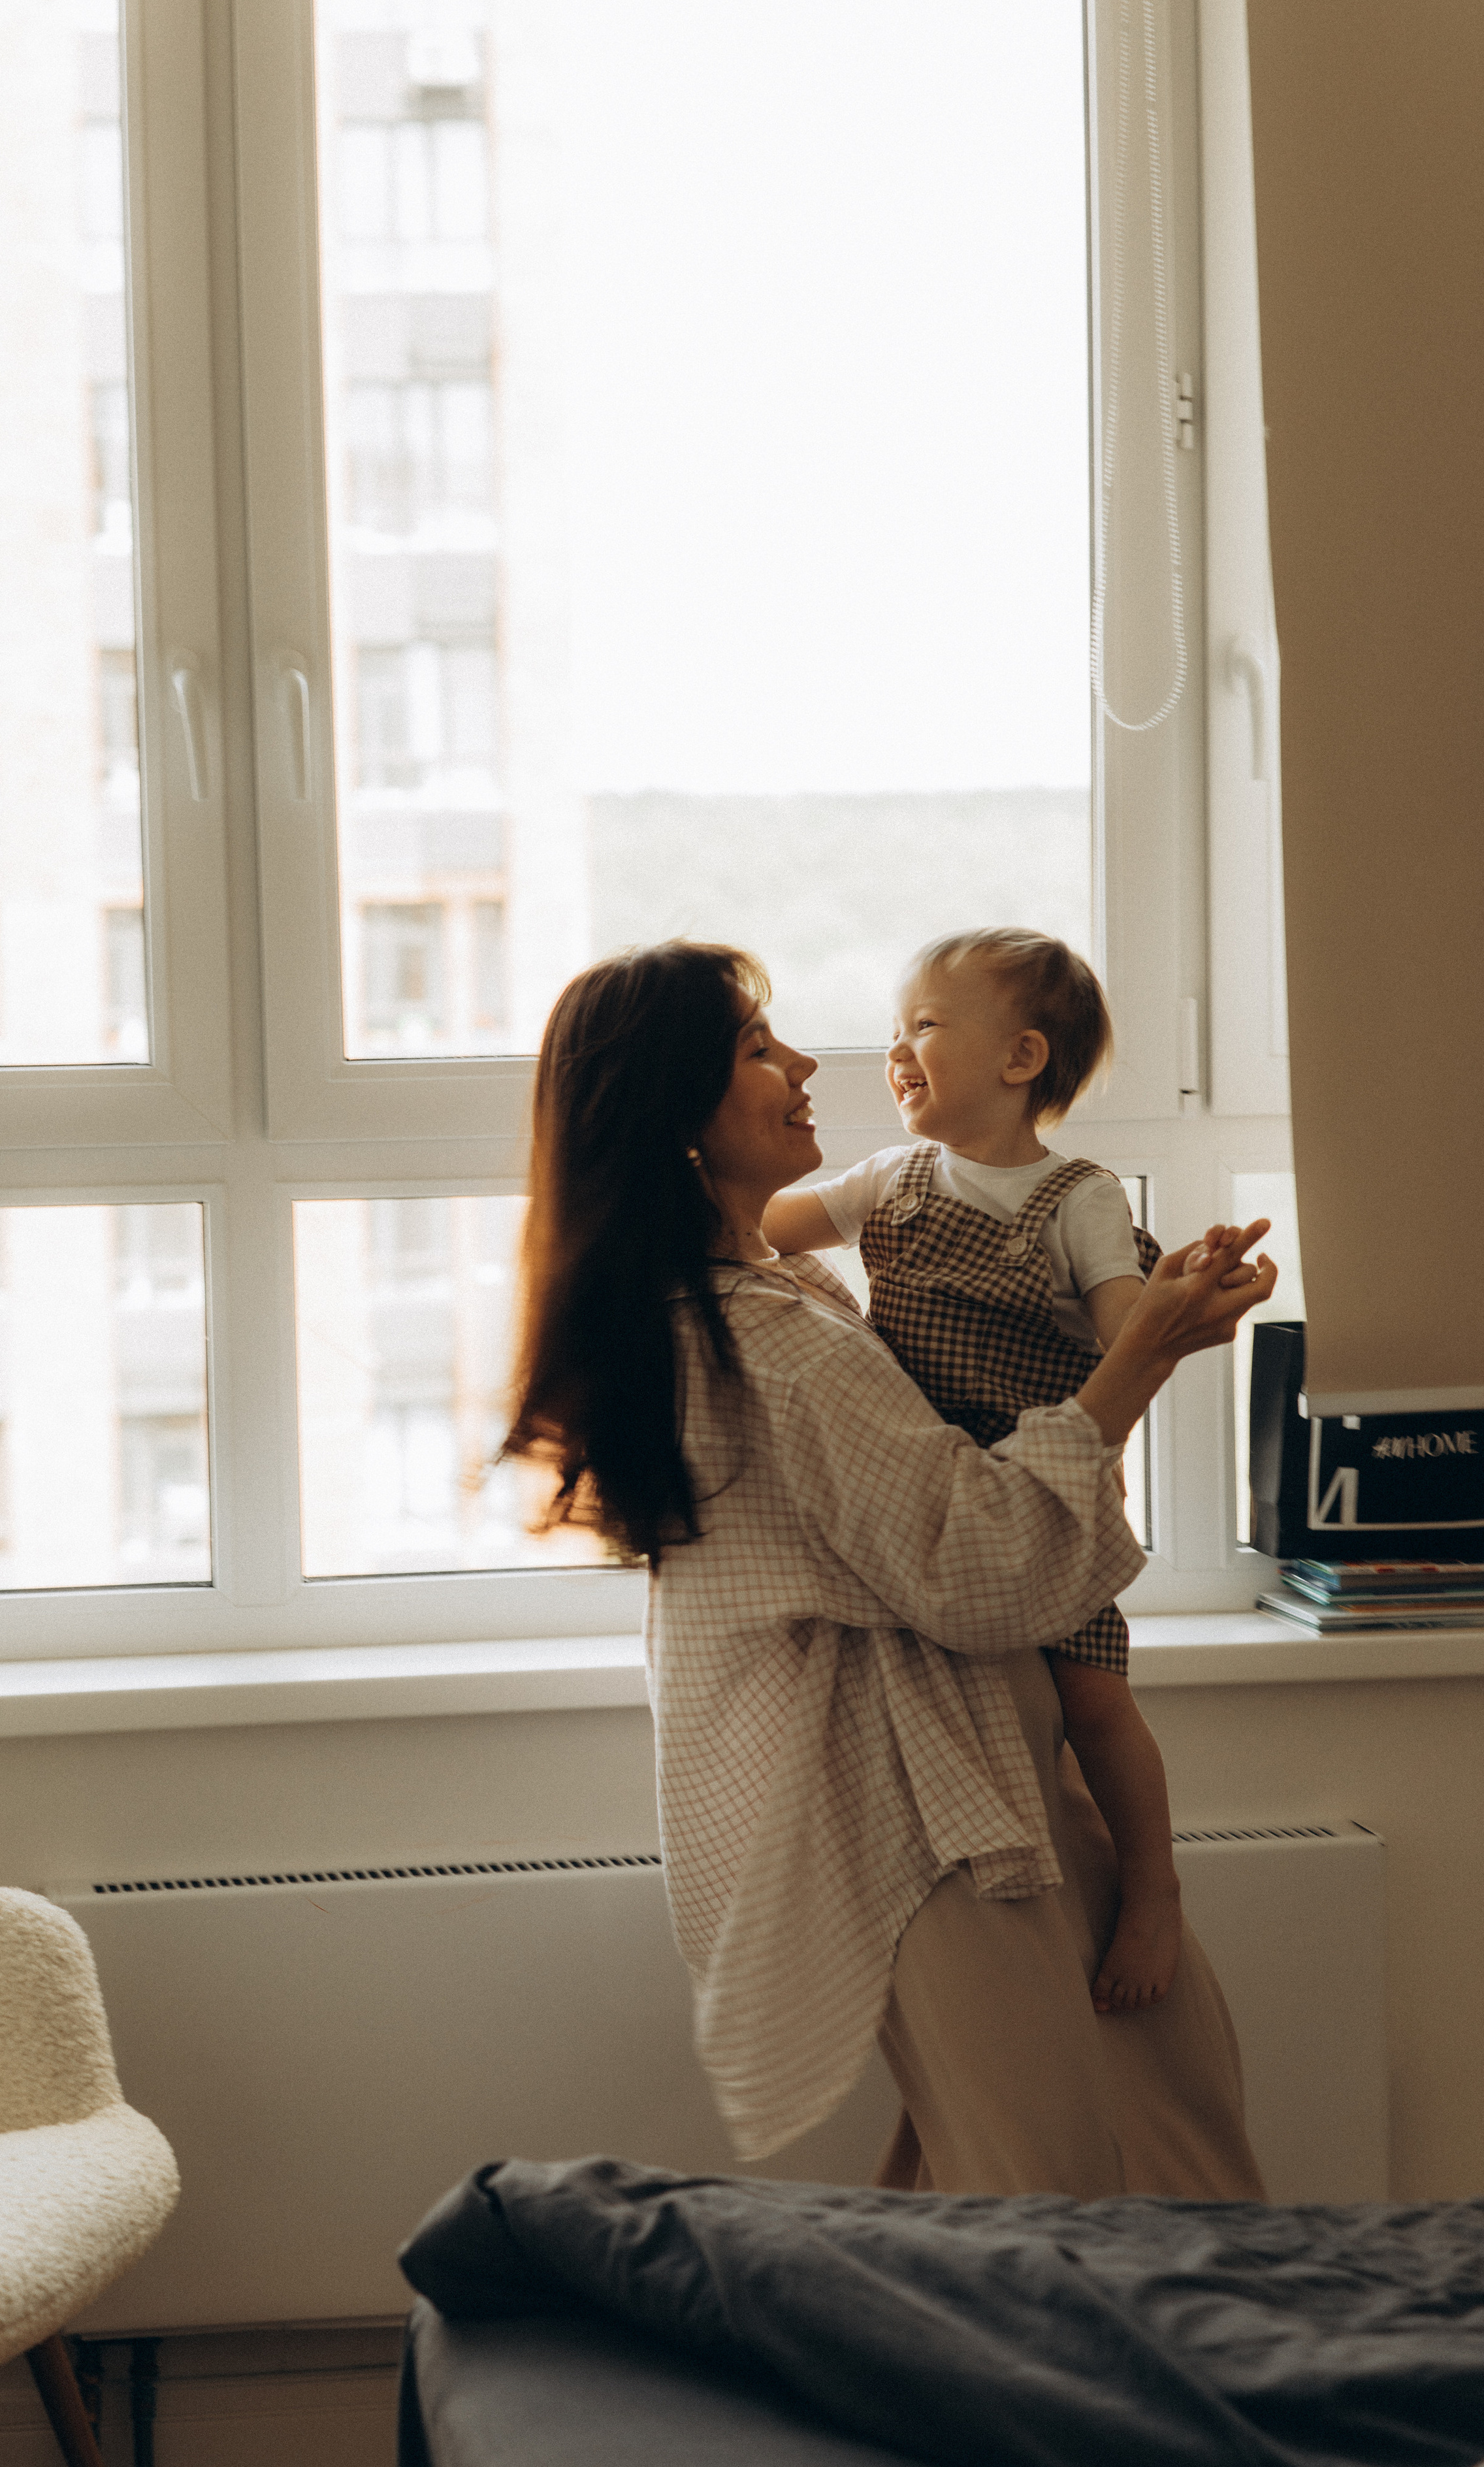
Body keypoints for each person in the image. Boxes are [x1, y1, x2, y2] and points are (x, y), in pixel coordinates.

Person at [506, 939, 1277, 2200]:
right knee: (1046, 2179)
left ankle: (1208, 2366)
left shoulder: (776, 1282)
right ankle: (1039, 2380)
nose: (807, 1062)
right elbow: (976, 1563)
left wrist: (1126, 1305)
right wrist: (1143, 1357)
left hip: (988, 1765)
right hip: (916, 1814)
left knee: (1163, 2097)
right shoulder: (754, 1332)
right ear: (674, 1116)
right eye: (758, 1049)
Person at [763, 926, 1177, 2015]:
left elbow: (1129, 1335)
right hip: (930, 1507)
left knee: (1093, 1702)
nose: (896, 1052)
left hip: (1043, 1497)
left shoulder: (1078, 1197)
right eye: (894, 1032)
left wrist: (1179, 1305)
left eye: (926, 1028)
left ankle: (1152, 1889)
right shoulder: (884, 1180)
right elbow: (753, 1229)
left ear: (1021, 1059)